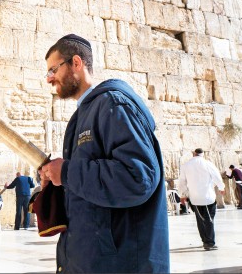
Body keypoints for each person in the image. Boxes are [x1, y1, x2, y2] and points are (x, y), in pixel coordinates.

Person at [39, 34, 169, 273]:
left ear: (76, 63)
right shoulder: (83, 116)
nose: (49, 79)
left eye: (53, 70)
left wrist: (67, 172)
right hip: (91, 259)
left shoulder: (113, 105)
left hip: (119, 262)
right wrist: (57, 180)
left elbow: (138, 178)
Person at [178, 148, 225, 251]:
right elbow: (216, 176)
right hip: (207, 197)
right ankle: (209, 243)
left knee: (200, 220)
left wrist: (183, 195)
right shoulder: (207, 163)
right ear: (203, 154)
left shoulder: (185, 165)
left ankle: (205, 241)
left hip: (194, 197)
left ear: (194, 153)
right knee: (209, 219)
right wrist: (221, 187)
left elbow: (182, 181)